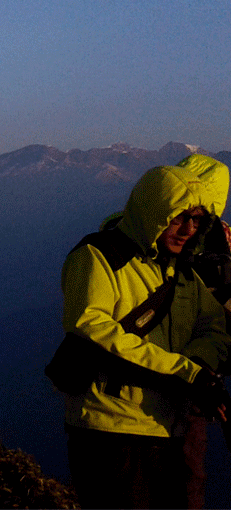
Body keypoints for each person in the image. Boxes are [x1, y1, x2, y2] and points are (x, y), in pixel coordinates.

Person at [59, 164, 231, 509]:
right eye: (178, 217)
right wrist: (186, 372)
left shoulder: (180, 270)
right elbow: (93, 329)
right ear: (154, 211)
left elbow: (214, 326)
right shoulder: (99, 258)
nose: (187, 229)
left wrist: (198, 363)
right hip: (110, 430)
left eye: (195, 220)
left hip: (166, 429)